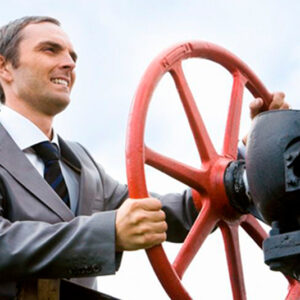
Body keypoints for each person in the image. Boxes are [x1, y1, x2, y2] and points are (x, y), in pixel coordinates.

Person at [0, 16, 288, 298]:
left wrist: (249, 166)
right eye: (50, 50)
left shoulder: (80, 163)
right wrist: (109, 232)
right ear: (4, 68)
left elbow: (159, 213)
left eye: (72, 55)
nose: (69, 63)